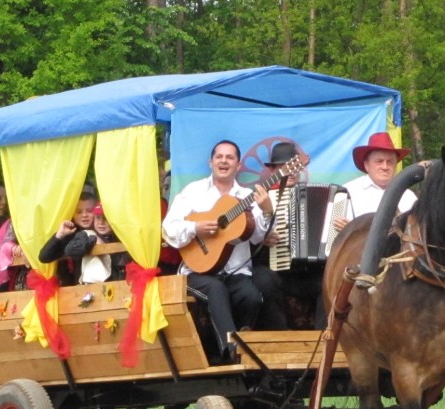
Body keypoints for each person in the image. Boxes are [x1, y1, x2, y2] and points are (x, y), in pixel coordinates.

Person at [162, 140, 274, 362]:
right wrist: (196, 227)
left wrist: (268, 211)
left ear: (238, 165)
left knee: (251, 296)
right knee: (216, 289)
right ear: (210, 162)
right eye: (219, 157)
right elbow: (168, 229)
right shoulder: (193, 192)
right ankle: (232, 352)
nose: (224, 161)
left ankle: (240, 350)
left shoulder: (246, 196)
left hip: (235, 273)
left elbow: (259, 236)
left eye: (230, 157)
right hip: (197, 271)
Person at [252, 141, 325, 330]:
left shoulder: (314, 194)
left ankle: (323, 340)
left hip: (308, 270)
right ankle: (280, 337)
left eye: (294, 166)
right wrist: (263, 238)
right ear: (274, 170)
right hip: (275, 270)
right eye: (284, 167)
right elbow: (248, 236)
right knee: (263, 280)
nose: (291, 171)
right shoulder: (261, 197)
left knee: (331, 280)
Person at [334, 132, 417, 232]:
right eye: (379, 161)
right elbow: (332, 233)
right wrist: (348, 232)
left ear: (396, 165)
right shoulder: (346, 192)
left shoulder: (409, 197)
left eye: (390, 162)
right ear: (366, 165)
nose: (385, 167)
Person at [39, 184, 98, 286]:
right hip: (74, 290)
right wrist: (59, 235)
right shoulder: (69, 235)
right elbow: (44, 257)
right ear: (73, 214)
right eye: (79, 212)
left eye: (89, 211)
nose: (84, 215)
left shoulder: (103, 231)